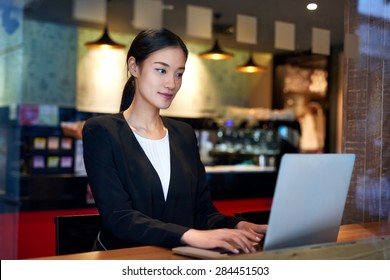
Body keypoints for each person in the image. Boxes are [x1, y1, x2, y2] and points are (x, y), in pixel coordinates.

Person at [82, 28, 267, 254]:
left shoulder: (184, 134)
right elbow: (119, 217)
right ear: (134, 67)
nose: (171, 83)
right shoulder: (101, 131)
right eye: (161, 70)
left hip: (176, 261)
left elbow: (201, 212)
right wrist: (191, 236)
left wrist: (237, 225)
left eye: (179, 74)